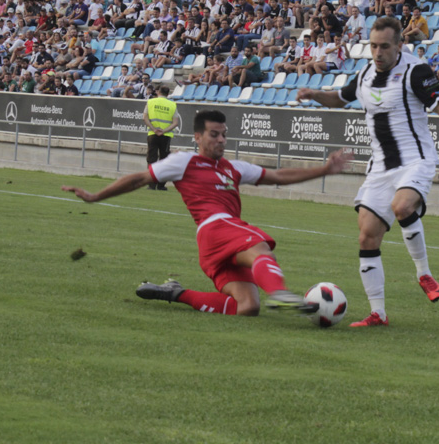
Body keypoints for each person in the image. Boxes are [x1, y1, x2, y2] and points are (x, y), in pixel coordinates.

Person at [62, 110, 352, 317]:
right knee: (259, 247)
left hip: (215, 245)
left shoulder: (234, 168)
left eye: (224, 135)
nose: (221, 140)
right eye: (214, 135)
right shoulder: (184, 162)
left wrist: (325, 169)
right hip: (216, 228)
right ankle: (279, 293)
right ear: (197, 137)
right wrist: (96, 196)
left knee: (247, 307)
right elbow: (140, 178)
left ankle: (175, 293)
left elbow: (277, 176)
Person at [296, 16, 439, 327]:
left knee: (402, 206)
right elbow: (339, 99)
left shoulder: (416, 71)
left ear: (399, 45)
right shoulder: (364, 75)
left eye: (385, 46)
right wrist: (314, 95)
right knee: (367, 237)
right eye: (373, 46)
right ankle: (379, 313)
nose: (378, 53)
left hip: (415, 160)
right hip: (379, 167)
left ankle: (425, 275)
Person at [143, 85, 179, 191]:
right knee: (164, 160)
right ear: (168, 94)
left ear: (158, 92)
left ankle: (151, 184)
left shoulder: (150, 102)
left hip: (152, 134)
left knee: (151, 159)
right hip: (166, 136)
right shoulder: (172, 105)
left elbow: (145, 118)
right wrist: (164, 130)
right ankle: (161, 185)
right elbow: (175, 122)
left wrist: (154, 129)